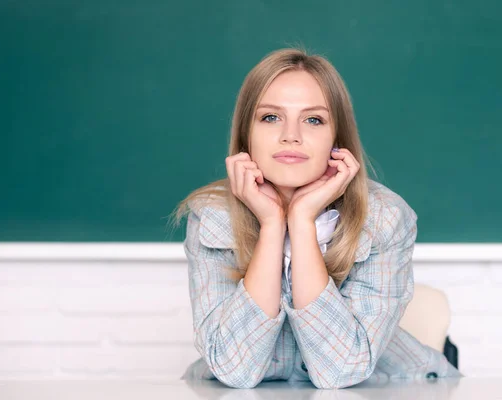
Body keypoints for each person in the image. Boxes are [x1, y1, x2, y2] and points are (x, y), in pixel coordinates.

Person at [175, 48, 460, 389]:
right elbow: (235, 370)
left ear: (336, 140)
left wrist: (302, 221)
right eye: (270, 117)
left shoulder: (386, 217)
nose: (290, 135)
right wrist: (271, 225)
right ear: (245, 134)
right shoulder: (211, 216)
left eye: (313, 119)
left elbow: (341, 371)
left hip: (400, 387)